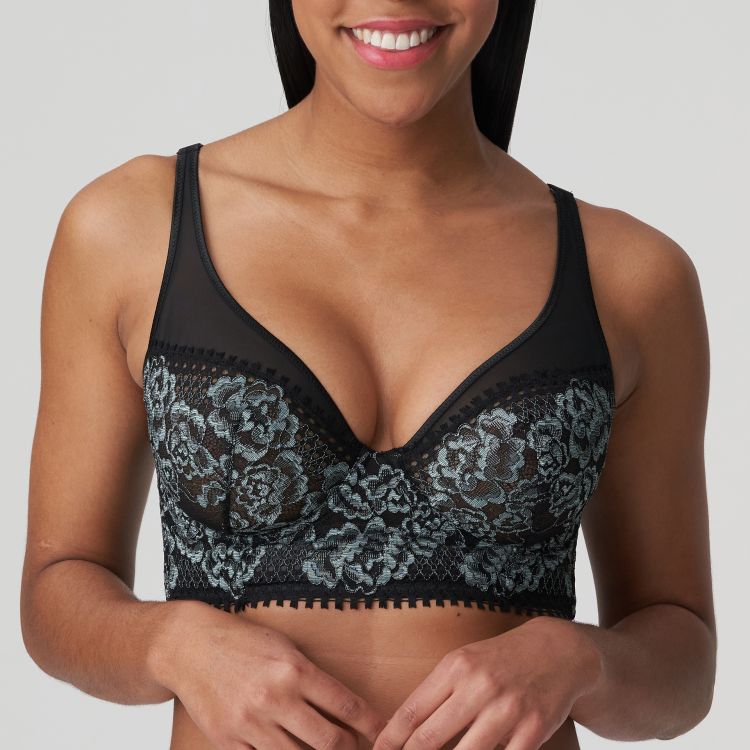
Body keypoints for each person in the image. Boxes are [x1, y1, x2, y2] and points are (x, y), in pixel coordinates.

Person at [20, 2, 716, 749]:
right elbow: (56, 592)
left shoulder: (630, 278)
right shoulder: (132, 231)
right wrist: (173, 645)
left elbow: (684, 663)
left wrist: (581, 660)